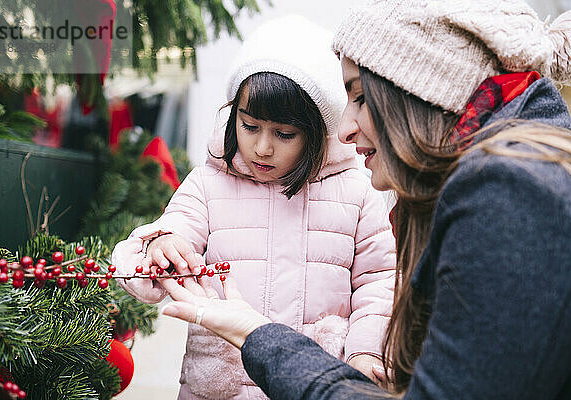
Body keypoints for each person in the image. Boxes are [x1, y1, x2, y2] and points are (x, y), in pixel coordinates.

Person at [159, 1, 571, 399]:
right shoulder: (492, 188)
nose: (342, 129)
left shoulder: (510, 200)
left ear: (420, 93)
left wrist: (260, 336)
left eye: (359, 97)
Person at [111, 15, 396, 400]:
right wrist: (160, 248)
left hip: (313, 381)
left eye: (284, 134)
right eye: (249, 126)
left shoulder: (356, 192)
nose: (262, 147)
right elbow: (160, 245)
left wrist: (364, 353)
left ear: (317, 131)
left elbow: (379, 283)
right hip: (218, 388)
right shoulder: (209, 184)